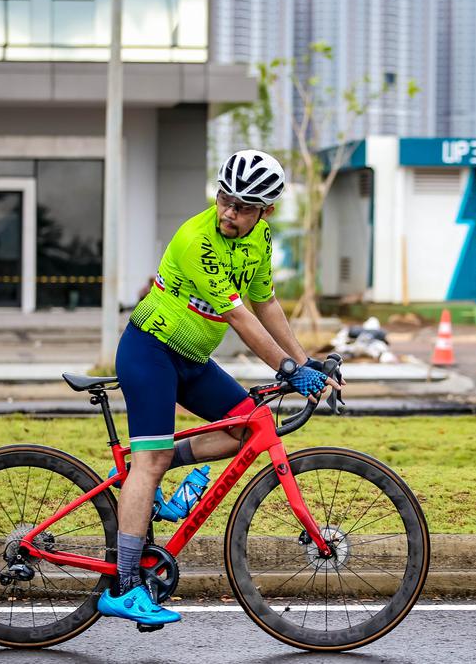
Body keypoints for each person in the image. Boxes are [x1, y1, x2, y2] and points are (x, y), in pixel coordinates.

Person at [97, 149, 341, 628]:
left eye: (243, 207)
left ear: (266, 212)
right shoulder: (197, 239)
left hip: (191, 359)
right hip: (150, 351)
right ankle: (125, 587)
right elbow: (239, 317)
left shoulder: (260, 239)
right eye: (225, 199)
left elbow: (265, 304)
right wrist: (289, 369)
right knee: (152, 458)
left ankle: (140, 476)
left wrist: (304, 359)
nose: (229, 212)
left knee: (247, 429)